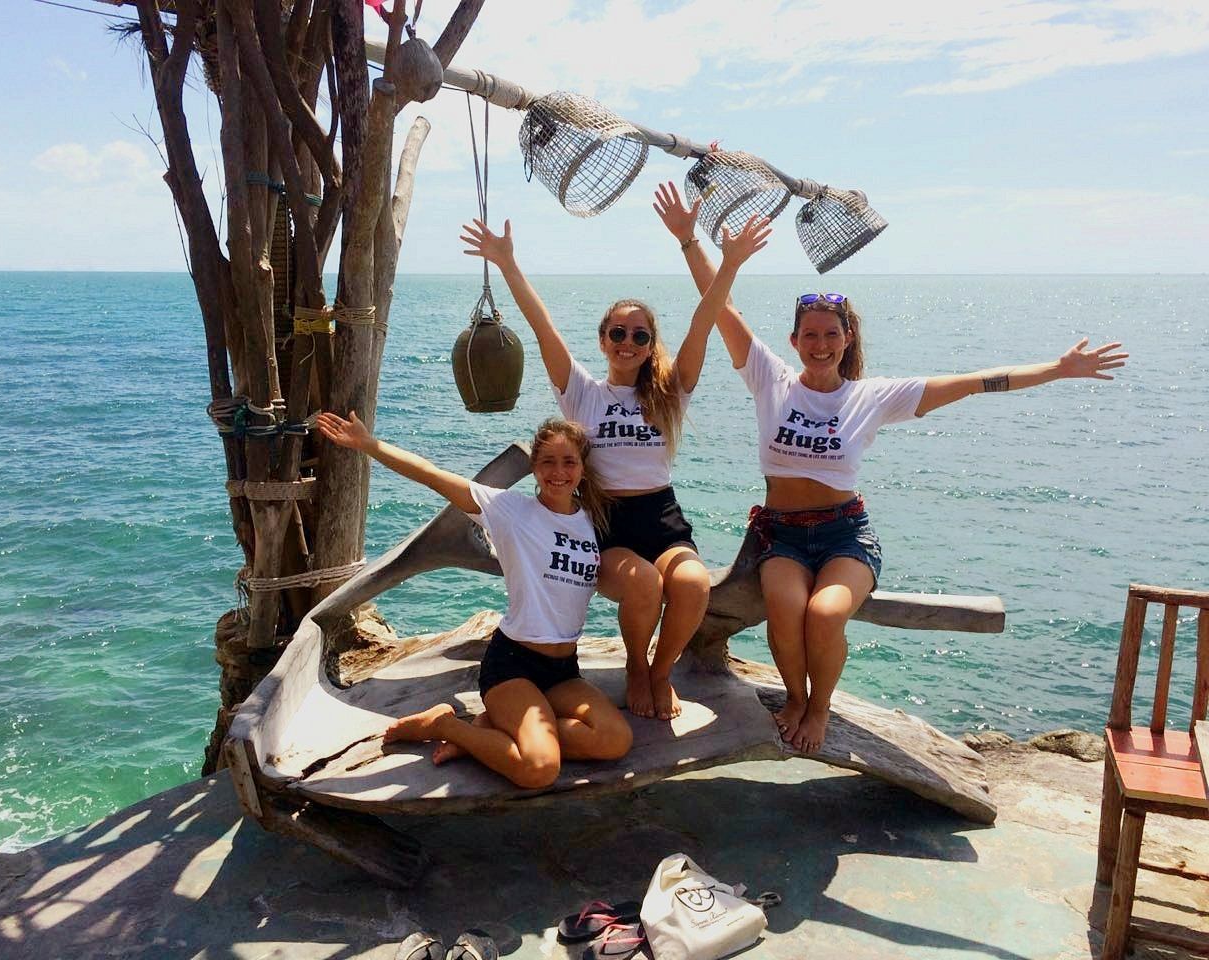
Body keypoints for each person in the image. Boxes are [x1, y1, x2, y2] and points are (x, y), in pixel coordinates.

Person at [655, 182, 1127, 754]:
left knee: (825, 615)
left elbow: (978, 382)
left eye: (831, 334)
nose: (820, 344)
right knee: (784, 611)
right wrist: (687, 239)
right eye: (810, 335)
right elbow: (719, 304)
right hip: (779, 535)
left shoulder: (874, 396)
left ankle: (818, 707)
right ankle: (795, 698)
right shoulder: (770, 378)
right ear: (794, 340)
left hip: (844, 534)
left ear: (846, 338)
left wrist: (1056, 368)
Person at [461, 218, 712, 721]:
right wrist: (507, 262)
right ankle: (635, 667)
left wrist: (720, 260)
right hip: (607, 520)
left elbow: (705, 321)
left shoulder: (668, 395)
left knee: (692, 585)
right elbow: (542, 326)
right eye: (618, 332)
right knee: (643, 584)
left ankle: (661, 671)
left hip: (660, 516)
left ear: (649, 344)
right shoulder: (582, 392)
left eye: (639, 335)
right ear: (603, 340)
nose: (628, 342)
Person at [315, 412, 633, 789]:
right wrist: (369, 445)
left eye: (569, 461)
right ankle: (446, 725)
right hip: (513, 666)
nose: (558, 472)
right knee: (539, 769)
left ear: (582, 467)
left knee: (616, 740)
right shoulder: (510, 511)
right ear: (533, 467)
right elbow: (431, 474)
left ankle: (491, 738)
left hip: (563, 671)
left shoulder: (593, 520)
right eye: (548, 461)